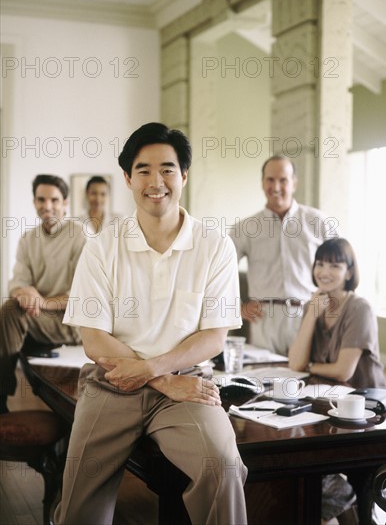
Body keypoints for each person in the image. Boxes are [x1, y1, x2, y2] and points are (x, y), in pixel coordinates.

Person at [54, 123, 248, 525]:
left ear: (184, 175)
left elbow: (214, 336)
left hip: (185, 384)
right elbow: (93, 337)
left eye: (167, 169)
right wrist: (159, 377)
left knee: (224, 467)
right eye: (143, 170)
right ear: (127, 178)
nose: (155, 181)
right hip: (111, 381)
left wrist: (156, 372)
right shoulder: (102, 246)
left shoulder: (215, 246)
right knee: (78, 504)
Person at [288, 237, 386, 525]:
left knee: (317, 471)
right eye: (320, 263)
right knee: (300, 463)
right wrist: (310, 317)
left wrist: (311, 364)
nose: (325, 271)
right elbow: (295, 364)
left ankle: (349, 510)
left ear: (349, 271)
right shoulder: (314, 304)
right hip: (329, 409)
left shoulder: (359, 309)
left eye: (335, 264)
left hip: (367, 416)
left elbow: (344, 371)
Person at [230, 154, 333, 355]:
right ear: (262, 183)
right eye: (270, 180)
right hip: (263, 318)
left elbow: (341, 264)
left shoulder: (318, 222)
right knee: (263, 378)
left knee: (306, 377)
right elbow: (219, 270)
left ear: (294, 183)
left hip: (307, 313)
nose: (276, 187)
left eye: (283, 180)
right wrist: (238, 308)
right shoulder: (245, 227)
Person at [0, 174, 86, 414]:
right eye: (41, 199)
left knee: (9, 312)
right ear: (34, 201)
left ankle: (1, 398)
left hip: (70, 323)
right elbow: (16, 283)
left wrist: (42, 302)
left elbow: (84, 296)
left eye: (54, 200)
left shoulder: (80, 235)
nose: (47, 206)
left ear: (65, 203)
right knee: (10, 310)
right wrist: (23, 291)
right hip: (38, 317)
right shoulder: (28, 239)